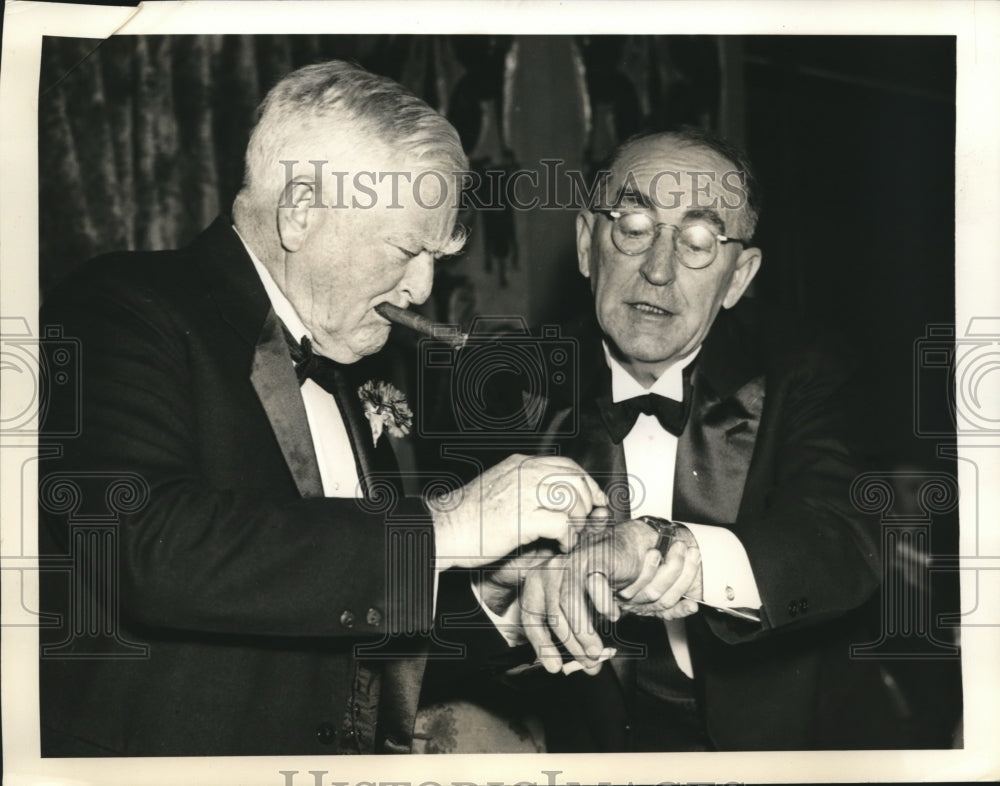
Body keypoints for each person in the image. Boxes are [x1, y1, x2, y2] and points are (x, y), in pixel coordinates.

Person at [37, 60, 605, 757]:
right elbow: (144, 547)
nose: (423, 288)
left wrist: (498, 601)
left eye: (437, 257)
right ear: (301, 210)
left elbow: (331, 613)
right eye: (407, 249)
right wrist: (447, 524)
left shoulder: (355, 356)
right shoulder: (121, 307)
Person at [478, 128, 901, 751]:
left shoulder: (808, 366)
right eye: (633, 225)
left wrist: (670, 547)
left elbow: (842, 540)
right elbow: (455, 626)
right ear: (587, 245)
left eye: (700, 241)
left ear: (738, 276)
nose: (657, 270)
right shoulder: (508, 384)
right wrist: (507, 596)